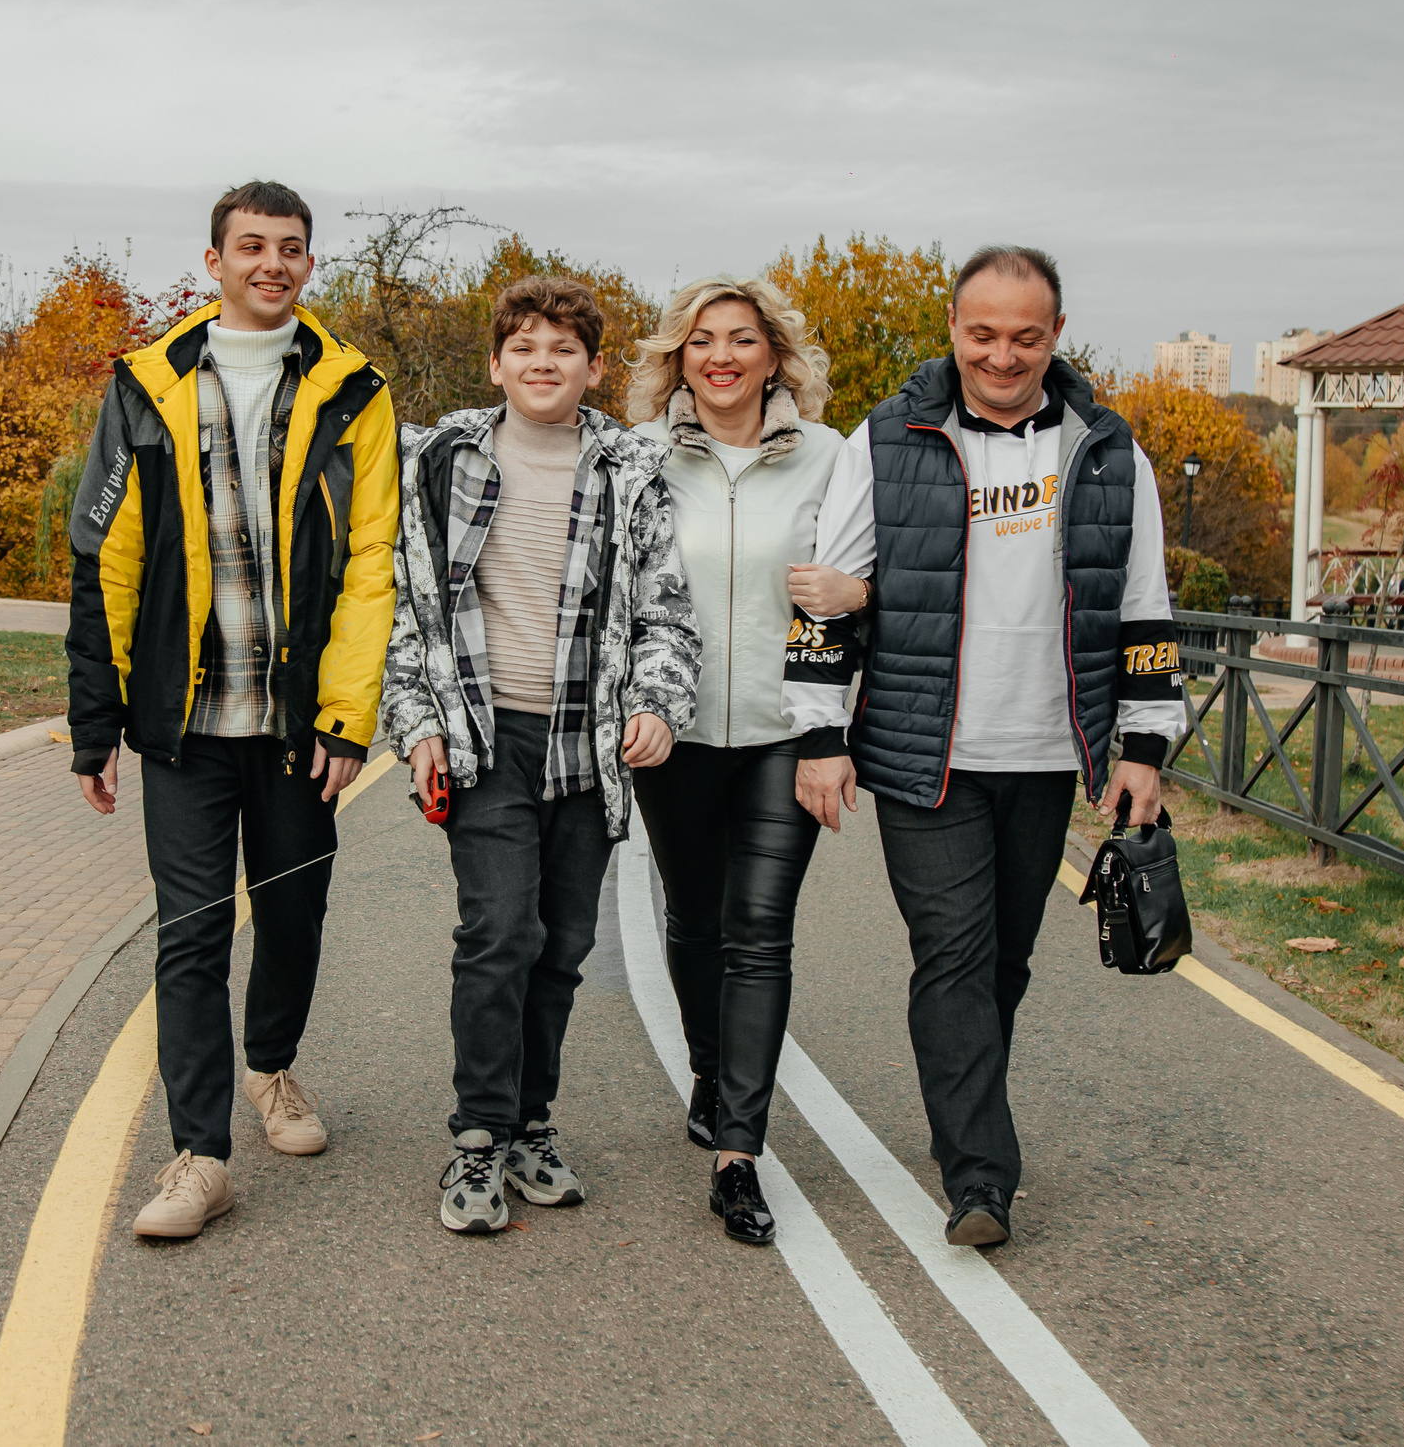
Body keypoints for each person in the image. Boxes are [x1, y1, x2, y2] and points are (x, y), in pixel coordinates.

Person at [788, 245, 1185, 1249]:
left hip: (1049, 752)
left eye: (1025, 336)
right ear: (953, 331)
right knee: (953, 955)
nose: (1002, 356)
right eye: (982, 334)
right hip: (928, 751)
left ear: (1054, 336)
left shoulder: (1105, 448)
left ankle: (964, 1117)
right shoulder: (886, 440)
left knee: (1003, 960)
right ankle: (980, 1176)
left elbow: (1141, 607)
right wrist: (820, 735)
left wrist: (1142, 745)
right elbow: (826, 597)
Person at [65, 180, 400, 1241]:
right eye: (250, 246)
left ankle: (272, 1070)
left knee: (293, 915)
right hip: (184, 724)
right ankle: (198, 1155)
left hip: (297, 727)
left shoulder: (355, 392)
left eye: (289, 248)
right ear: (212, 260)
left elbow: (371, 562)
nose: (271, 263)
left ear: (308, 265)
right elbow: (105, 556)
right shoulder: (143, 384)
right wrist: (94, 721)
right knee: (191, 934)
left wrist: (349, 716)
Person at [382, 274, 699, 1235]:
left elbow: (666, 613)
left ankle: (530, 1122)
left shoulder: (631, 470)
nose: (542, 363)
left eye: (563, 349)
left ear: (594, 367)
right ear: (496, 363)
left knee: (562, 948)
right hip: (486, 741)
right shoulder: (438, 461)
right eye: (523, 347)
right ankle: (476, 1138)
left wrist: (657, 705)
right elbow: (406, 607)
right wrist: (418, 721)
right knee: (498, 935)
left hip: (587, 747)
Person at [624, 275, 843, 1244]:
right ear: (679, 357)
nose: (721, 355)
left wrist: (859, 592)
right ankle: (712, 1068)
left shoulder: (833, 461)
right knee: (695, 917)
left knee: (758, 928)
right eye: (702, 339)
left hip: (782, 729)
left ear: (773, 356)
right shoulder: (639, 460)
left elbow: (861, 582)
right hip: (671, 734)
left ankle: (739, 1152)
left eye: (741, 339)